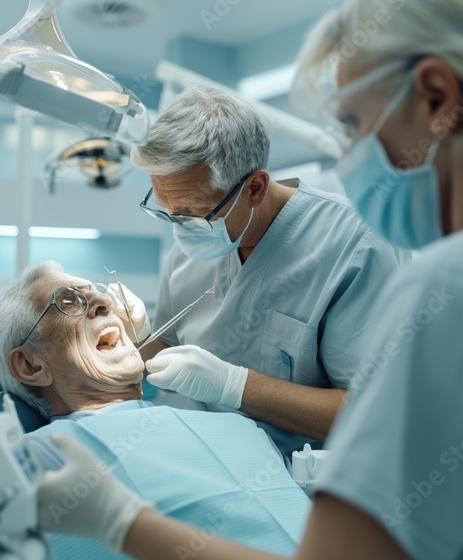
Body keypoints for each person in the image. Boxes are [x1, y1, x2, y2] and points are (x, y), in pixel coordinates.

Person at [34, 1, 463, 558]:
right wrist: (147, 343)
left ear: (438, 101)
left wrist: (122, 524)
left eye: (354, 125)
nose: (347, 154)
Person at [128, 86, 410, 453]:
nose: (179, 225)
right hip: (194, 458)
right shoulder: (186, 248)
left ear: (255, 188)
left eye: (193, 211)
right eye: (166, 209)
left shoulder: (354, 245)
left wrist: (234, 385)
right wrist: (132, 337)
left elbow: (373, 413)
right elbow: (169, 352)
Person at [0, 262, 310, 559]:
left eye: (97, 293)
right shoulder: (42, 464)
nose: (104, 303)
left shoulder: (237, 426)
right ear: (31, 364)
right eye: (68, 301)